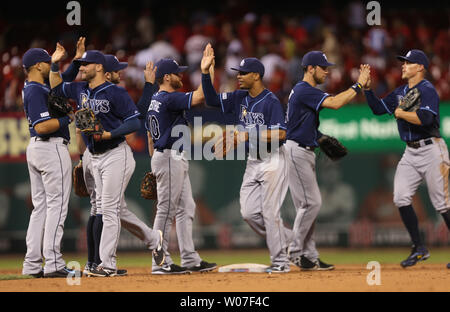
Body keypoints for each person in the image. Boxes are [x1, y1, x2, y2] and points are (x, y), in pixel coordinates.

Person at [49, 44, 164, 277]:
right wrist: (58, 63)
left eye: (86, 64)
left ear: (99, 67)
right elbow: (56, 88)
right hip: (93, 155)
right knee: (114, 209)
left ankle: (107, 265)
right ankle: (153, 238)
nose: (82, 68)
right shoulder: (80, 89)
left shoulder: (116, 92)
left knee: (108, 210)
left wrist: (110, 133)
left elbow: (134, 122)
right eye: (81, 65)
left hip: (115, 154)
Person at [201, 55, 293, 272]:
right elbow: (212, 101)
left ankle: (280, 263)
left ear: (256, 76)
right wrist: (206, 73)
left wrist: (246, 133)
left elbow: (281, 133)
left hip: (273, 160)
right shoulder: (239, 97)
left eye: (243, 73)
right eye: (238, 72)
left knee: (270, 213)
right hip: (253, 161)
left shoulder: (271, 101)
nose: (238, 76)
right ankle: (294, 240)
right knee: (249, 213)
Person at [363, 49, 450, 268]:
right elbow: (377, 109)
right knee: (401, 197)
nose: (403, 65)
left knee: (441, 203)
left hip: (432, 149)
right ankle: (419, 247)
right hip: (410, 152)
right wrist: (366, 89)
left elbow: (427, 118)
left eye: (408, 63)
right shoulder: (401, 91)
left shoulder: (428, 89)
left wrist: (401, 113)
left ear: (420, 67)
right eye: (403, 62)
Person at [285, 51, 370, 270]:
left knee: (307, 207)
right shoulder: (305, 89)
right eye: (323, 67)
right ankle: (294, 251)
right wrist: (358, 86)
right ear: (310, 69)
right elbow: (335, 103)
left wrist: (318, 136)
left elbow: (303, 123)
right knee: (311, 204)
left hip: (302, 150)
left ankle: (310, 256)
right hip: (297, 151)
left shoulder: (303, 91)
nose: (327, 71)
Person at [146, 44, 217, 274]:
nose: (181, 76)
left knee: (186, 207)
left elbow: (149, 134)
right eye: (178, 73)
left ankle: (190, 259)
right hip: (168, 156)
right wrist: (206, 71)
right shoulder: (168, 98)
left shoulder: (155, 100)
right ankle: (160, 263)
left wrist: (153, 160)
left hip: (167, 155)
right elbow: (201, 96)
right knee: (166, 211)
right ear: (167, 77)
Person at [21, 38, 87, 278]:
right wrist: (66, 119)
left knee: (40, 209)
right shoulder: (37, 90)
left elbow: (63, 81)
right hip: (50, 148)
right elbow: (41, 127)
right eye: (47, 62)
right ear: (38, 66)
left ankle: (31, 264)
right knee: (57, 207)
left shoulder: (33, 86)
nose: (50, 65)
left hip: (37, 151)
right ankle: (54, 264)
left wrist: (76, 59)